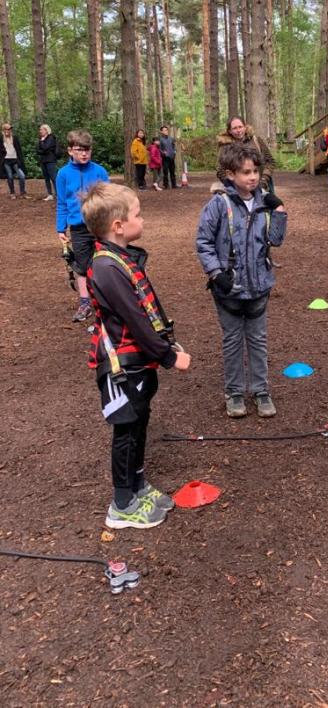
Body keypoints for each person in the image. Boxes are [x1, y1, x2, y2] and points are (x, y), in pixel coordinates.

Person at [81, 182, 191, 529]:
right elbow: (135, 319)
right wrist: (169, 357)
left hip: (140, 363)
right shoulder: (106, 267)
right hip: (122, 367)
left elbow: (148, 311)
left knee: (140, 423)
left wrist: (165, 343)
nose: (142, 220)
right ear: (118, 225)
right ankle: (122, 504)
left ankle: (138, 485)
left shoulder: (122, 258)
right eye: (138, 214)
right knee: (126, 430)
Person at [196, 143, 287, 418]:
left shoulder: (264, 203)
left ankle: (261, 390)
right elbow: (203, 242)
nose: (253, 177)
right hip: (229, 288)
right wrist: (216, 273)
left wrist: (279, 211)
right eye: (246, 172)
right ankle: (234, 392)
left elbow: (276, 240)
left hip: (259, 286)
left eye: (256, 171)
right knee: (233, 340)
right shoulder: (218, 204)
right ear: (230, 174)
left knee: (258, 340)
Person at [56, 129, 110, 322]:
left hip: (99, 226)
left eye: (87, 149)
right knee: (81, 265)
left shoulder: (100, 171)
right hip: (78, 228)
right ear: (70, 150)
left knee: (105, 263)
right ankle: (85, 303)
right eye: (80, 149)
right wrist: (60, 228)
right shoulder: (63, 174)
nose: (84, 153)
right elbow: (61, 203)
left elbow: (109, 199)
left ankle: (108, 300)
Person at [217, 116, 275, 191]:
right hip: (237, 189)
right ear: (230, 131)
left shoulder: (256, 140)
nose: (238, 130)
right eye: (234, 128)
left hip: (261, 185)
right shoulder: (225, 146)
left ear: (245, 127)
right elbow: (220, 170)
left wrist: (264, 179)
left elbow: (269, 161)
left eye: (240, 127)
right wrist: (234, 186)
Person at [1, 122, 28, 199]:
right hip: (6, 161)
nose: (8, 130)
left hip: (15, 160)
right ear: (4, 130)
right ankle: (12, 193)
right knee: (10, 177)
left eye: (9, 129)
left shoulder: (15, 138)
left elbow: (19, 150)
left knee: (22, 176)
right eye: (7, 129)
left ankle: (22, 193)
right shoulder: (1, 139)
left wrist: (20, 160)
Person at [37, 124, 60, 201]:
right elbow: (37, 150)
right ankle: (50, 194)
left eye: (41, 129)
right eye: (40, 130)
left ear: (46, 130)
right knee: (46, 178)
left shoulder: (51, 138)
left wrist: (42, 146)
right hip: (43, 160)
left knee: (53, 177)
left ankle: (58, 194)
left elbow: (46, 148)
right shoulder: (41, 139)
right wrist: (43, 149)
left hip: (50, 160)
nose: (40, 131)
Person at [159, 124, 177, 189]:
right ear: (161, 132)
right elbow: (159, 149)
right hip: (165, 158)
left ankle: (174, 185)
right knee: (165, 172)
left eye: (166, 130)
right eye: (164, 130)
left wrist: (174, 151)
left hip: (172, 157)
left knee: (173, 172)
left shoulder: (171, 138)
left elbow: (174, 146)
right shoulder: (160, 140)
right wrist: (163, 153)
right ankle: (166, 185)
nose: (166, 131)